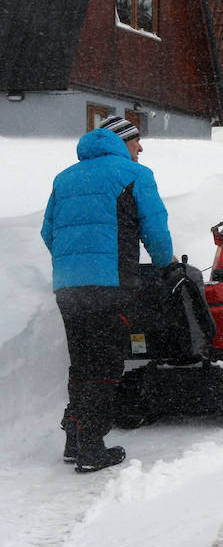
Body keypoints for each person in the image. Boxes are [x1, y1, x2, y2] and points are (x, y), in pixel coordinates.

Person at [41, 116, 175, 473]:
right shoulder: (135, 175)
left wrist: (76, 263)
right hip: (110, 286)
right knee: (104, 364)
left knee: (82, 361)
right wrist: (166, 265)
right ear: (121, 142)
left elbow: (47, 232)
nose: (141, 148)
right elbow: (156, 232)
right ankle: (91, 448)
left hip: (68, 287)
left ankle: (74, 438)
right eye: (136, 141)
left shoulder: (64, 178)